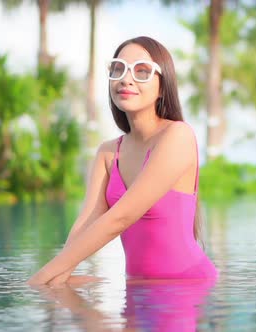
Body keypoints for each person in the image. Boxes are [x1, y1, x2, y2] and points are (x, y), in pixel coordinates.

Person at [27, 36, 218, 286]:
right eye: (118, 68)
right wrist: (58, 277)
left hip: (185, 287)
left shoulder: (177, 136)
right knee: (59, 285)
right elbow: (87, 221)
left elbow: (121, 216)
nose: (126, 79)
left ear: (162, 86)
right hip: (138, 291)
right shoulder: (108, 153)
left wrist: (39, 279)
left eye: (142, 71)